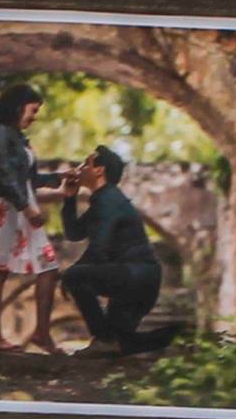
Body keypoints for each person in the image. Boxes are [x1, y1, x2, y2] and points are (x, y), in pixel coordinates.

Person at [0, 81, 66, 353]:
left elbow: (29, 178)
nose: (34, 118)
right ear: (18, 107)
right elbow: (3, 173)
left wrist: (62, 177)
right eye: (32, 111)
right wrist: (26, 207)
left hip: (21, 204)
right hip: (7, 206)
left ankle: (42, 333)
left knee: (49, 267)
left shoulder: (18, 138)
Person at [59, 145, 164, 355]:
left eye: (85, 164)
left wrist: (72, 275)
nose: (79, 169)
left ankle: (106, 340)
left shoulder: (109, 200)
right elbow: (74, 233)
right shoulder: (105, 199)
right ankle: (168, 338)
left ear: (99, 170)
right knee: (118, 343)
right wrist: (70, 197)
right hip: (140, 280)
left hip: (136, 278)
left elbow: (99, 249)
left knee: (75, 277)